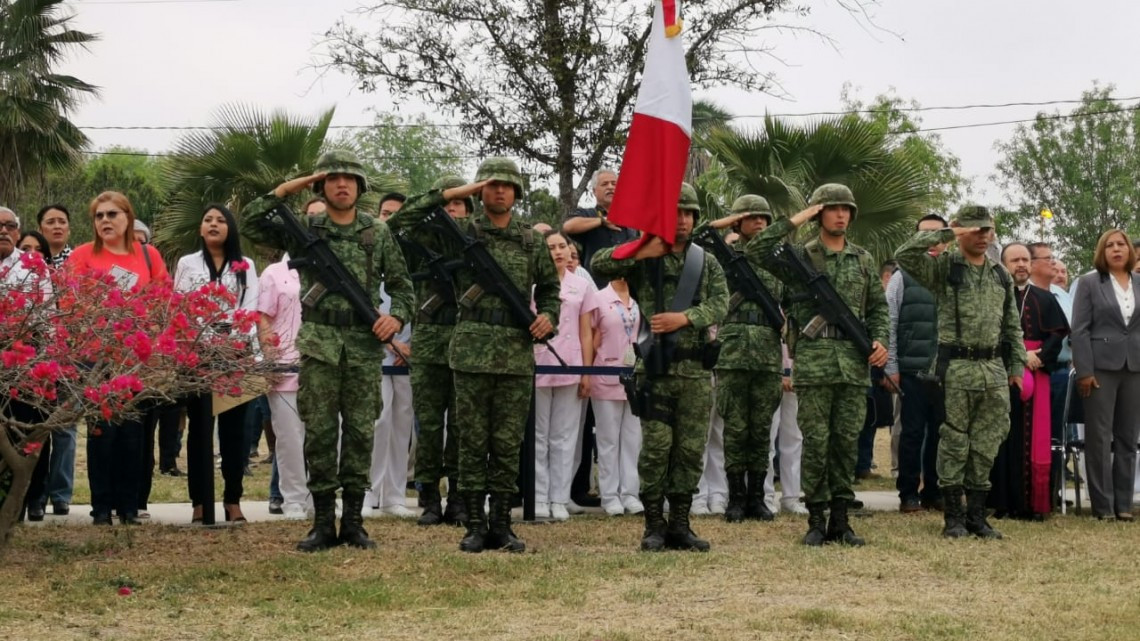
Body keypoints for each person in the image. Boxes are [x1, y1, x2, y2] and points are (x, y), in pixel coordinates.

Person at [241, 149, 414, 551]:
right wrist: (294, 184)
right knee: (318, 434)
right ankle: (322, 523)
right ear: (322, 185)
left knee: (358, 434)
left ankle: (352, 522)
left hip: (362, 347)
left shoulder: (377, 232)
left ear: (359, 187)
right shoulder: (306, 227)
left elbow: (403, 287)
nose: (342, 184)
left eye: (349, 179)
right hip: (319, 345)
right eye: (333, 178)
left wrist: (398, 318)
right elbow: (251, 219)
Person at [390, 157, 560, 554]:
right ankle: (474, 523)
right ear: (479, 191)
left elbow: (551, 290)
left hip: (516, 352)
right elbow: (402, 224)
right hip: (469, 351)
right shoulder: (459, 232)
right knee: (470, 440)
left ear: (517, 193)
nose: (499, 190)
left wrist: (549, 317)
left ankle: (501, 524)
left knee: (506, 442)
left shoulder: (531, 240)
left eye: (507, 185)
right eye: (491, 184)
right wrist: (453, 193)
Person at [748, 184, 888, 546]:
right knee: (816, 442)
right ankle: (816, 520)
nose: (841, 214)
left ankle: (841, 521)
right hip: (814, 362)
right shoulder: (800, 257)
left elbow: (877, 308)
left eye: (846, 209)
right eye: (832, 208)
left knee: (845, 443)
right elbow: (758, 248)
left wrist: (881, 341)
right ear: (819, 213)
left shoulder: (863, 259)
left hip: (853, 364)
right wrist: (799, 218)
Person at [592, 182, 729, 552]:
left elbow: (720, 304)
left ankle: (680, 524)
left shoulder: (706, 261)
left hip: (695, 373)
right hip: (654, 369)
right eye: (675, 212)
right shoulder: (646, 257)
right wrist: (640, 248)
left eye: (688, 213)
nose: (682, 220)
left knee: (688, 451)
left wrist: (685, 318)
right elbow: (598, 263)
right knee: (655, 449)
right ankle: (653, 524)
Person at [894, 206, 1026, 539]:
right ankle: (953, 516)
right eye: (976, 230)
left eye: (988, 230)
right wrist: (949, 233)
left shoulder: (1000, 274)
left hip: (993, 369)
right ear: (961, 231)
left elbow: (1012, 325)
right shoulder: (943, 268)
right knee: (954, 441)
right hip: (955, 369)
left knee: (987, 441)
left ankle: (977, 515)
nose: (983, 236)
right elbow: (905, 253)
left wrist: (1016, 367)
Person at [66, 192, 169, 525]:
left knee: (132, 434)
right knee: (103, 434)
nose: (105, 221)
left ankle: (129, 507)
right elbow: (70, 303)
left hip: (135, 359)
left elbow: (162, 301)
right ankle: (101, 509)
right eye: (99, 216)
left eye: (112, 214)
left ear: (128, 216)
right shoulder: (82, 255)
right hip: (95, 357)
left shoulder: (149, 255)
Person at [696, 195, 785, 523]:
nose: (759, 222)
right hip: (732, 352)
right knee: (734, 428)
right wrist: (722, 222)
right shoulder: (722, 258)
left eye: (764, 217)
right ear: (738, 223)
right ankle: (735, 497)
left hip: (767, 353)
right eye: (751, 217)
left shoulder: (778, 260)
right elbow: (692, 238)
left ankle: (756, 498)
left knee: (761, 429)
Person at [173, 204, 260, 524]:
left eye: (220, 220)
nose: (213, 224)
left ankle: (233, 500)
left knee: (237, 432)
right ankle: (200, 501)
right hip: (199, 355)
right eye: (207, 219)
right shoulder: (187, 263)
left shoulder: (245, 264)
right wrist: (209, 340)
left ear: (230, 228)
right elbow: (180, 305)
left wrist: (233, 342)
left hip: (237, 355)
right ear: (200, 229)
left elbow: (250, 308)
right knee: (200, 431)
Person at [405, 175, 472, 527]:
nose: (452, 208)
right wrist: (439, 196)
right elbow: (401, 220)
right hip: (429, 347)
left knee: (461, 426)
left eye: (459, 203)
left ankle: (459, 498)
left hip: (467, 346)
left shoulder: (476, 241)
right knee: (429, 426)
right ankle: (429, 496)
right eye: (447, 202)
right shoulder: (420, 240)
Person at [988, 243, 1068, 520]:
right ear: (1004, 264)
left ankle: (1033, 505)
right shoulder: (995, 296)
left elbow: (1057, 335)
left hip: (1038, 373)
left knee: (1035, 436)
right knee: (1003, 438)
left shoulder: (1045, 299)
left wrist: (1039, 358)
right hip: (1002, 373)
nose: (1020, 264)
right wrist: (1021, 355)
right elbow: (991, 336)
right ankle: (1002, 502)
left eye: (1025, 259)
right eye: (1014, 260)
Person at [1070, 229, 1140, 521]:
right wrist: (1084, 370)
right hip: (1099, 368)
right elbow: (1080, 329)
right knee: (1099, 438)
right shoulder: (1089, 283)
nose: (1116, 249)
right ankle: (1102, 505)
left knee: (1128, 437)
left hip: (1134, 367)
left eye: (1121, 244)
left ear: (1129, 250)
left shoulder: (1139, 281)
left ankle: (1124, 503)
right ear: (1102, 251)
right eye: (1109, 245)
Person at [532, 230, 597, 520]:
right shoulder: (532, 287)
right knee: (539, 435)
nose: (558, 252)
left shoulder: (581, 286)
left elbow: (587, 331)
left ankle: (559, 497)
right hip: (539, 363)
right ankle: (539, 497)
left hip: (571, 364)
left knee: (565, 435)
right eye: (551, 247)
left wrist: (586, 371)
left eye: (562, 247)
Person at [886, 214, 947, 513]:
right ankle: (908, 492)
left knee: (941, 434)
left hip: (946, 372)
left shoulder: (953, 274)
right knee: (911, 433)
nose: (931, 241)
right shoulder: (901, 277)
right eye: (925, 234)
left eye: (937, 234)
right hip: (911, 370)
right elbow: (890, 323)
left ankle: (934, 491)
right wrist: (892, 366)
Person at [258, 250, 311, 520]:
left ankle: (319, 498)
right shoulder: (274, 273)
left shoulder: (333, 267)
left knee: (324, 437)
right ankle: (293, 499)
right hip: (285, 366)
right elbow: (263, 316)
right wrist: (271, 358)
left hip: (322, 365)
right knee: (290, 438)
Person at [590, 277, 642, 516]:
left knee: (633, 439)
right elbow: (592, 338)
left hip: (634, 379)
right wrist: (586, 372)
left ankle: (630, 493)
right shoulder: (599, 298)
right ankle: (610, 495)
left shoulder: (637, 297)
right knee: (608, 440)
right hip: (605, 375)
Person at [564, 168, 637, 288]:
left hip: (630, 291)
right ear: (594, 191)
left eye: (614, 184)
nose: (610, 187)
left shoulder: (631, 218)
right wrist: (602, 221)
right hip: (597, 289)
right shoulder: (588, 214)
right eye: (604, 184)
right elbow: (568, 226)